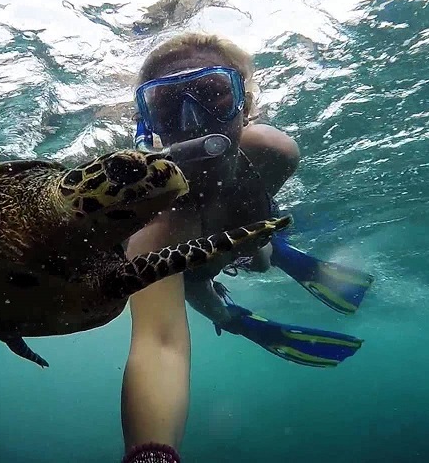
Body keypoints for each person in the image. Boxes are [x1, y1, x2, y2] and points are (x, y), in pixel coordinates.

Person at [119, 33, 374, 463]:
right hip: (190, 269)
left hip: (247, 227)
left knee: (259, 258)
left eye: (213, 95)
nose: (193, 119)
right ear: (150, 126)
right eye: (168, 105)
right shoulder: (153, 224)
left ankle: (276, 251)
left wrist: (254, 245)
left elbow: (254, 205)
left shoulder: (272, 151)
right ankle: (238, 317)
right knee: (202, 290)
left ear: (246, 106)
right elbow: (159, 341)